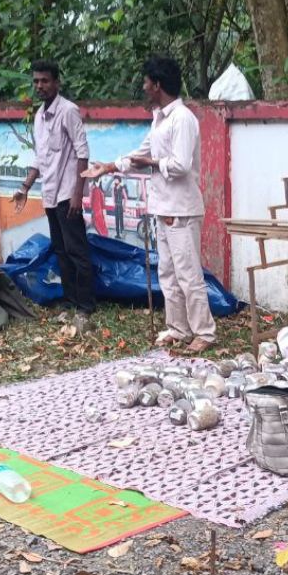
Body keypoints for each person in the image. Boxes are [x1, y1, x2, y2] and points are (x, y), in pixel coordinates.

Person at [83, 56, 216, 353]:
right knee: (167, 272)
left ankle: (205, 332)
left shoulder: (183, 119)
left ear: (157, 84)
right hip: (163, 208)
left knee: (188, 273)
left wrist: (150, 163)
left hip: (181, 209)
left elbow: (181, 165)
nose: (143, 87)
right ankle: (178, 328)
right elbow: (140, 153)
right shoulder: (160, 119)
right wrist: (109, 167)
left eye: (146, 82)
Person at [12, 59, 96, 326]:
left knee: (77, 251)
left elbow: (83, 153)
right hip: (50, 194)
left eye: (45, 80)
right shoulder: (38, 115)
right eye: (36, 81)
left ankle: (85, 306)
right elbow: (40, 157)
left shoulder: (68, 111)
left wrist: (77, 194)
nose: (40, 86)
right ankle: (70, 301)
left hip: (67, 195)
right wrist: (25, 187)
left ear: (56, 82)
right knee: (60, 250)